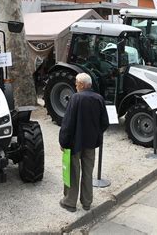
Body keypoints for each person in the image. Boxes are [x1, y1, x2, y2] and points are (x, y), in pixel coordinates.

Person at [59, 73, 109, 212]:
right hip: (91, 143)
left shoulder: (75, 98)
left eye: (76, 83)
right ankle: (86, 202)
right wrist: (96, 133)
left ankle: (70, 202)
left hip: (75, 143)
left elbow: (67, 124)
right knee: (88, 173)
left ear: (81, 84)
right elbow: (104, 122)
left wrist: (63, 141)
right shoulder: (99, 98)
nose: (75, 85)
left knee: (73, 172)